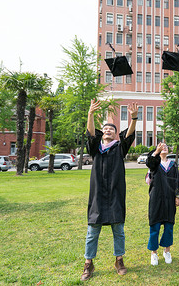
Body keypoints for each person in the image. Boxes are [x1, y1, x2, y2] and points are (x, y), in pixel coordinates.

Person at [80, 99, 137, 281]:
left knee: (118, 230)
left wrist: (134, 118)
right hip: (98, 195)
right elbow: (90, 134)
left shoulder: (119, 148)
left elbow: (128, 136)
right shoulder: (96, 149)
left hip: (115, 195)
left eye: (111, 129)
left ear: (115, 134)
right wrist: (90, 114)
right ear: (101, 132)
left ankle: (119, 260)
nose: (107, 130)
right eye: (105, 129)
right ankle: (88, 263)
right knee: (92, 231)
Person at [145, 142, 179, 266]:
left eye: (166, 146)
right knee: (154, 226)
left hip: (170, 198)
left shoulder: (173, 165)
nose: (164, 147)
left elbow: (177, 181)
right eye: (161, 146)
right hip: (156, 198)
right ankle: (154, 253)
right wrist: (156, 152)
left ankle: (167, 251)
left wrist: (177, 195)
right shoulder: (155, 163)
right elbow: (149, 163)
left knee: (169, 226)